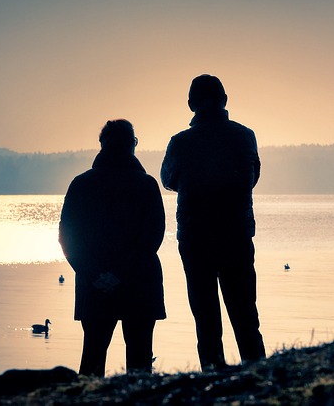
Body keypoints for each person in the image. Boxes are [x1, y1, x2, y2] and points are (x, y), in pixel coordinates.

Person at [161, 74, 265, 371]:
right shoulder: (245, 136)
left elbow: (168, 180)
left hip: (196, 238)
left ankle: (212, 377)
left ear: (191, 104)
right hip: (237, 234)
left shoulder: (180, 142)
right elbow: (252, 177)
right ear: (225, 101)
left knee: (206, 319)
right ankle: (259, 375)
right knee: (245, 314)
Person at [59, 119, 166, 377]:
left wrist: (94, 274)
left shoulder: (81, 184)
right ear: (132, 145)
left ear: (102, 145)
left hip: (94, 286)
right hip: (139, 283)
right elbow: (153, 237)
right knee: (140, 363)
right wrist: (122, 274)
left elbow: (68, 238)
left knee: (93, 358)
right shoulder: (146, 185)